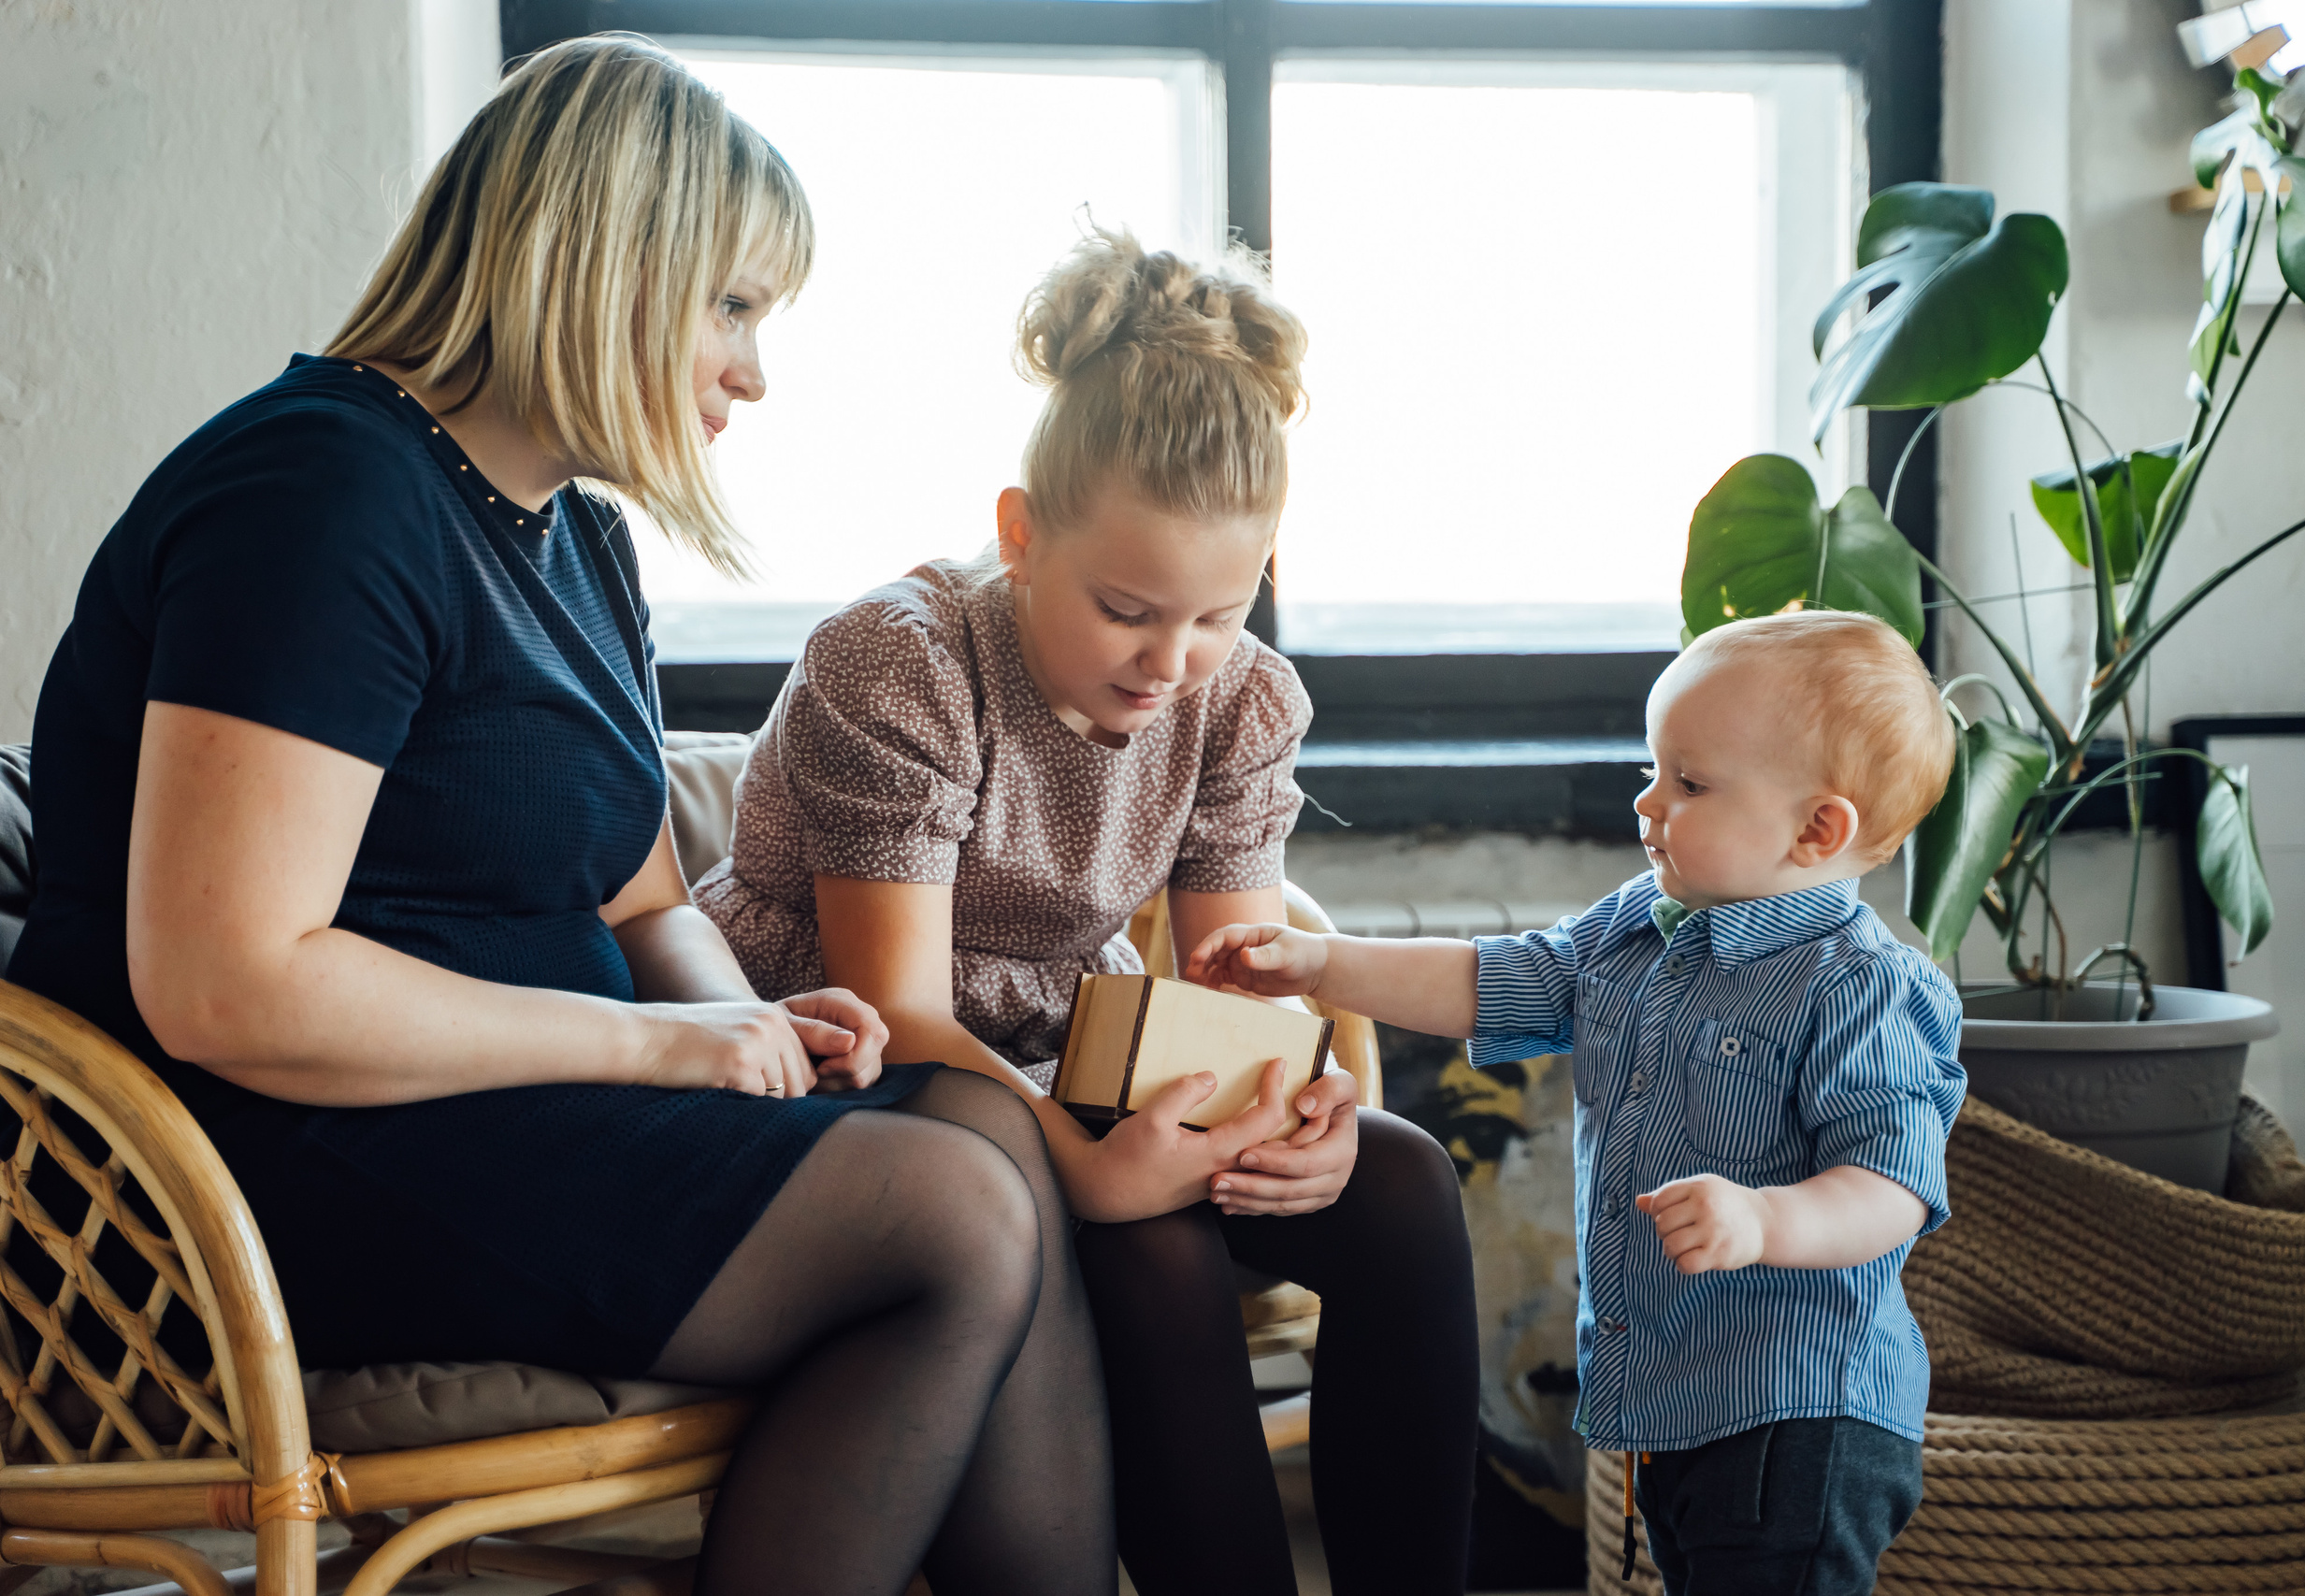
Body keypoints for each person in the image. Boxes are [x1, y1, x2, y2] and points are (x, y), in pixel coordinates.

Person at [5, 36, 1114, 1596]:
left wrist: (759, 1041)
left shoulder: (574, 539)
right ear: (604, 264)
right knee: (944, 1213)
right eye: (731, 308)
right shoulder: (318, 495)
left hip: (494, 1124)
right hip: (256, 1163)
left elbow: (639, 902)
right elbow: (227, 985)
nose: (752, 371)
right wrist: (657, 1050)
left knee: (982, 1123)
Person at [698, 229, 1479, 1596]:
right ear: (1021, 533)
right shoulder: (901, 665)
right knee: (1154, 1242)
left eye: (1218, 613)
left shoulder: (1236, 698)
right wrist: (1097, 1163)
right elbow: (902, 1011)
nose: (1170, 664)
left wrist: (1284, 1112)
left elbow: (1234, 979)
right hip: (858, 1059)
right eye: (1127, 609)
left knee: (1400, 1178)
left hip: (1080, 1046)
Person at [1188, 610, 1971, 1596]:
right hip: (1678, 1396)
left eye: (1688, 783)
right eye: (1654, 768)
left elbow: (1890, 1184)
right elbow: (1489, 979)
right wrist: (1322, 963)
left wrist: (1766, 1216)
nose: (1647, 803)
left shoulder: (1861, 986)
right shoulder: (1635, 929)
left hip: (1798, 1408)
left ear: (1818, 829)